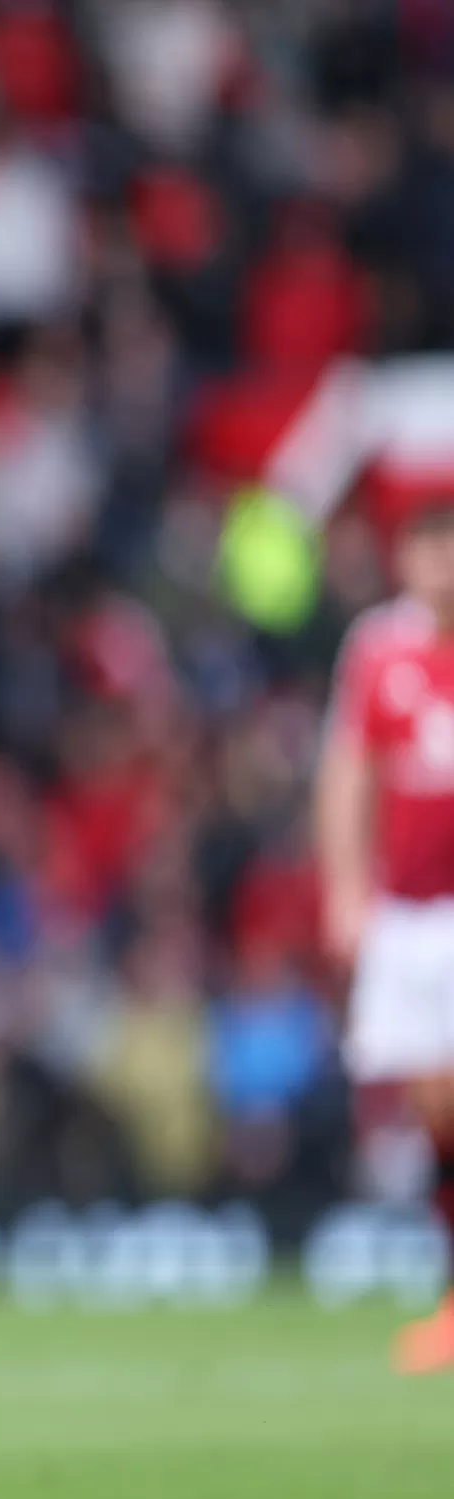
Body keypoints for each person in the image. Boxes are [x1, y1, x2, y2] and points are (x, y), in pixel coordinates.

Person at [316, 498, 454, 1374]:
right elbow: (349, 766)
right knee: (433, 1103)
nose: (440, 567)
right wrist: (343, 884)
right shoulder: (378, 647)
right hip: (406, 911)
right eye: (427, 551)